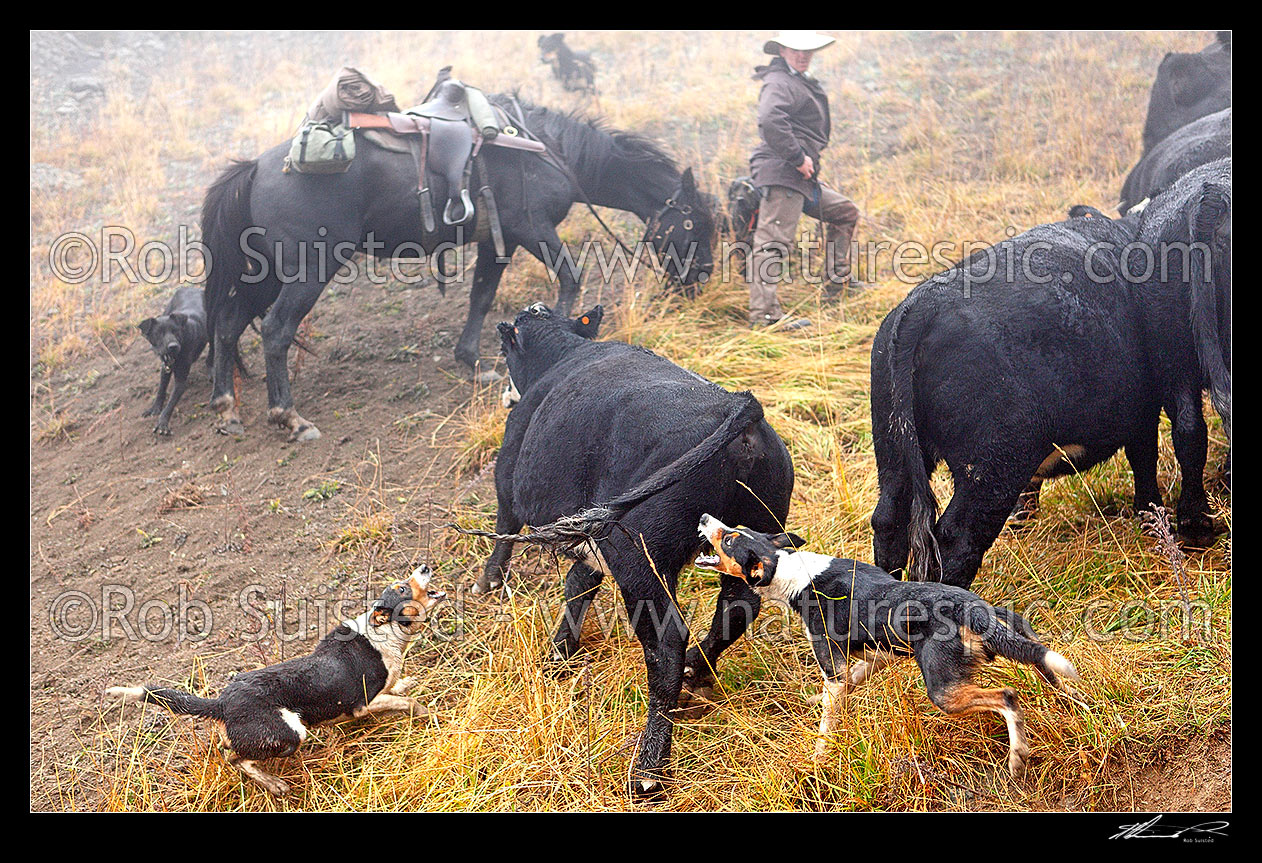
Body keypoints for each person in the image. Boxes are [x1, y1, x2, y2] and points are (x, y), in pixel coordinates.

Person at [747, 31, 867, 329]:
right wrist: (798, 157)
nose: (803, 55)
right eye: (796, 49)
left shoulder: (796, 79)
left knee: (845, 212)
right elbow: (769, 120)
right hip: (784, 174)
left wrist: (803, 163)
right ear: (783, 50)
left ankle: (837, 283)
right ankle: (764, 319)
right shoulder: (779, 81)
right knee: (773, 244)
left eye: (808, 50)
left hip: (801, 177)